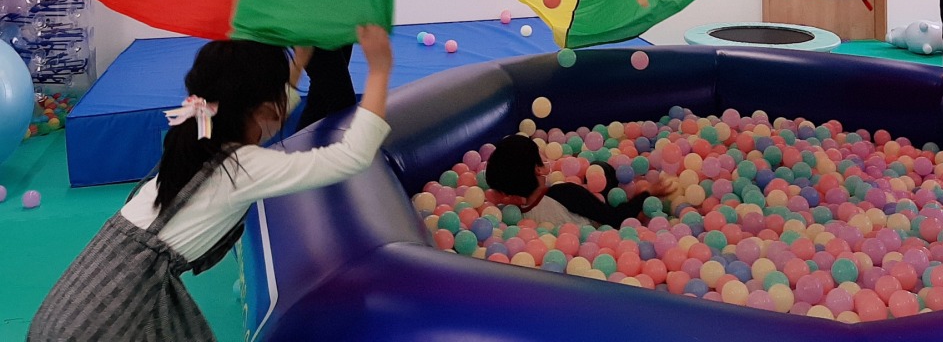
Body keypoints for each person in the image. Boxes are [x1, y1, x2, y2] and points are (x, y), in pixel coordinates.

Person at [27, 24, 394, 342]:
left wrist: (298, 61)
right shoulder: (242, 167)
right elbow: (351, 156)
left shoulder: (199, 129)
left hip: (76, 300)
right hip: (105, 317)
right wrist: (379, 70)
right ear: (264, 109)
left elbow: (267, 112)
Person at [484, 134, 675, 229]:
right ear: (538, 169)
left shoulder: (513, 214)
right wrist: (647, 193)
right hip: (602, 234)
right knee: (601, 168)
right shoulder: (564, 193)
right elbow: (614, 219)